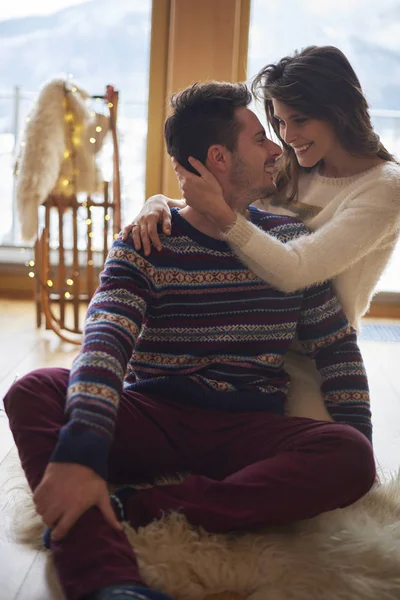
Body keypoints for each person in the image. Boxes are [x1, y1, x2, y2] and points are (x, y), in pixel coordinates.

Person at [4, 81, 375, 600]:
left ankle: (144, 506)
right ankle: (109, 583)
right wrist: (81, 452)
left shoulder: (292, 244)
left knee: (348, 454)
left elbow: (334, 348)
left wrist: (359, 445)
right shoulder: (147, 240)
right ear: (220, 158)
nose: (277, 149)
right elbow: (105, 341)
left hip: (249, 428)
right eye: (260, 138)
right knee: (33, 389)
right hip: (156, 414)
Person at [125, 45, 400, 420]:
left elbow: (295, 269)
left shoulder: (386, 188)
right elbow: (240, 213)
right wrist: (159, 202)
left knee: (326, 457)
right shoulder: (297, 167)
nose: (287, 136)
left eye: (299, 120)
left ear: (338, 111)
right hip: (246, 338)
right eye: (280, 122)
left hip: (316, 356)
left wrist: (222, 216)